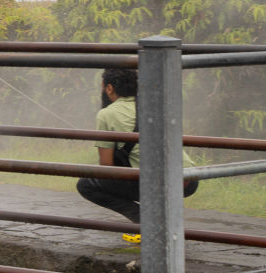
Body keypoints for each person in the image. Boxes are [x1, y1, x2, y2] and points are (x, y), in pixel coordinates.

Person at [76, 68, 197, 224]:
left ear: (110, 88)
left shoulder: (106, 114)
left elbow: (106, 166)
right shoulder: (154, 105)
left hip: (157, 184)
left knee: (86, 185)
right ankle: (158, 220)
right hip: (188, 180)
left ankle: (144, 219)